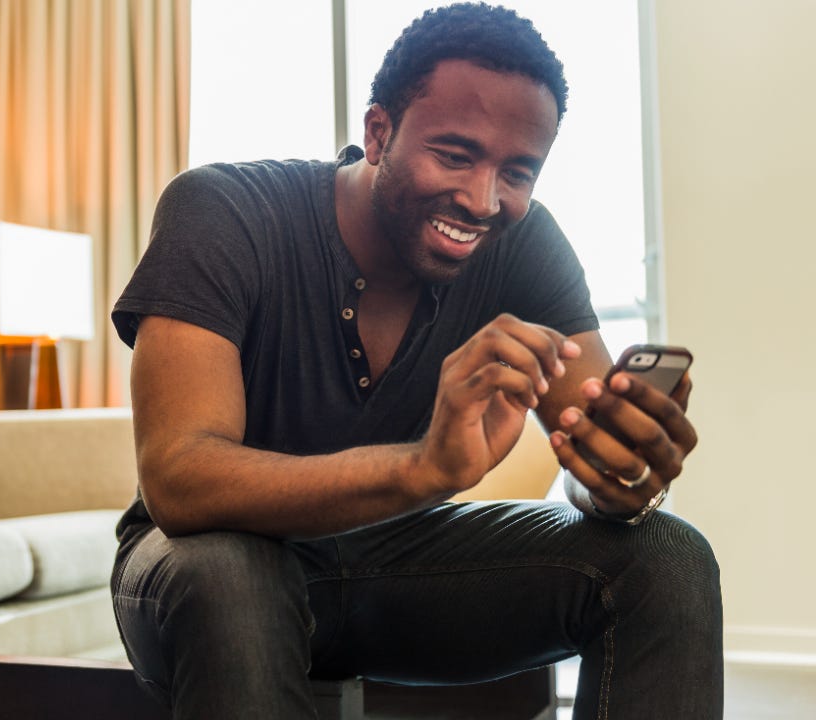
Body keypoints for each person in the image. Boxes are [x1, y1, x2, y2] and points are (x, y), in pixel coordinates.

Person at [109, 3, 723, 718]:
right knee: (231, 572)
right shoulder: (223, 211)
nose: (483, 199)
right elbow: (179, 481)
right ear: (379, 133)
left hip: (396, 571)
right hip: (203, 568)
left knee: (666, 557)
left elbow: (589, 456)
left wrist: (618, 482)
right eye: (456, 155)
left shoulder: (524, 247)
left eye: (517, 171)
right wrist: (423, 467)